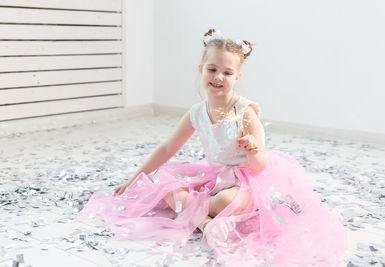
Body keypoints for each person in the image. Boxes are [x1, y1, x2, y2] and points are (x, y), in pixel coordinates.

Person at [78, 29, 348, 266]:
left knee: (225, 202)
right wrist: (135, 177)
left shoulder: (244, 112)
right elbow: (167, 148)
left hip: (245, 179)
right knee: (166, 184)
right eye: (212, 69)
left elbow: (260, 165)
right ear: (201, 70)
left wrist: (253, 150)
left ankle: (202, 214)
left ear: (237, 76)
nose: (218, 77)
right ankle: (205, 224)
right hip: (215, 176)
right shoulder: (197, 112)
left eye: (227, 72)